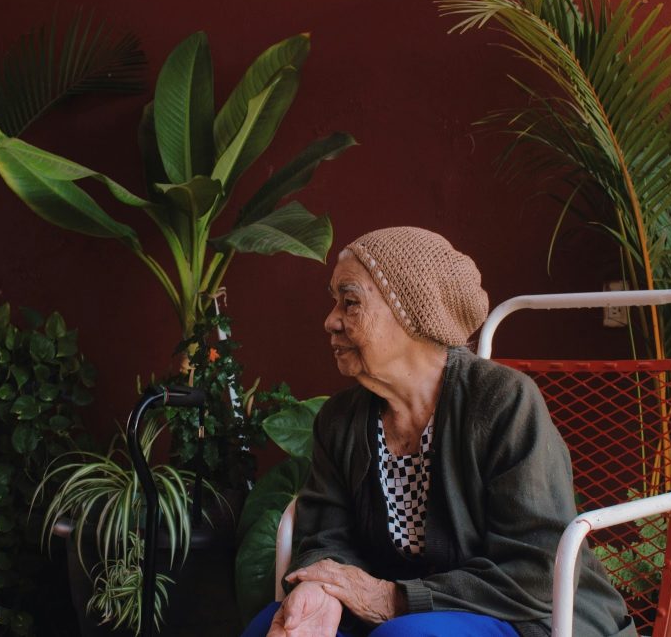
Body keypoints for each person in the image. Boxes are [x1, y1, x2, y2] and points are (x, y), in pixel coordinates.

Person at [242, 227, 635, 637]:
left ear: (411, 314)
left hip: (522, 613)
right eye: (334, 302)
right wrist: (321, 588)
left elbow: (537, 572)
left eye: (350, 302)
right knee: (271, 626)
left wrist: (393, 599)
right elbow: (325, 534)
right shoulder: (340, 419)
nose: (331, 320)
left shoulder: (503, 402)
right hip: (394, 608)